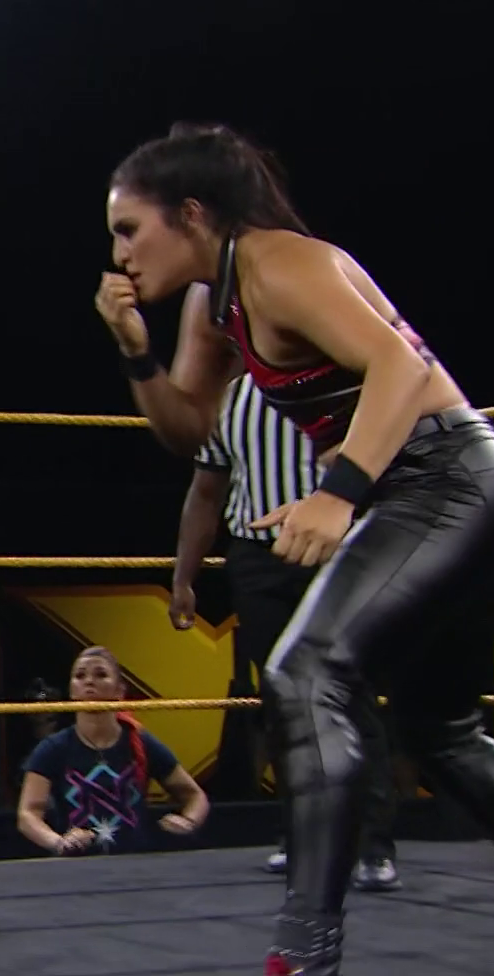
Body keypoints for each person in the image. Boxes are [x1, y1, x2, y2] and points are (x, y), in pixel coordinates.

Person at [93, 123, 494, 975]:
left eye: (130, 229)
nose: (120, 254)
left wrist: (337, 494)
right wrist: (137, 354)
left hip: (452, 478)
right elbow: (192, 432)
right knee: (446, 733)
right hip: (434, 490)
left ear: (191, 213)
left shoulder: (281, 262)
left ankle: (306, 955)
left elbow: (400, 367)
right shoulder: (215, 301)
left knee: (303, 673)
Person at [173, 372, 403, 890]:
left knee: (350, 693)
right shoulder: (228, 396)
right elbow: (206, 491)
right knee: (282, 699)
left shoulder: (336, 382)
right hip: (257, 558)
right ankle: (301, 835)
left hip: (336, 552)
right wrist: (184, 578)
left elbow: (386, 472)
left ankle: (372, 843)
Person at [18, 647, 210, 857]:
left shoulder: (140, 741)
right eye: (80, 676)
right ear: (72, 690)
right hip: (77, 866)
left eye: (100, 675)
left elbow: (194, 796)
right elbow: (28, 814)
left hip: (136, 865)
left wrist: (188, 822)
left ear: (119, 690)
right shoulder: (54, 748)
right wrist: (59, 842)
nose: (89, 682)